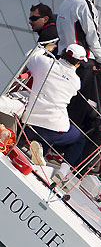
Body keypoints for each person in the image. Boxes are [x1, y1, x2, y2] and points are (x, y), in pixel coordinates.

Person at [56, 0, 101, 129]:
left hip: (62, 57)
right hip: (80, 62)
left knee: (64, 100)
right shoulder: (85, 4)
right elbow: (93, 37)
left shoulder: (68, 0)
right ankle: (68, 136)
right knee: (80, 105)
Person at [22, 43, 87, 179]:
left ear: (63, 53)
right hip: (53, 131)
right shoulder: (76, 81)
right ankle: (61, 173)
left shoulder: (44, 63)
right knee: (79, 138)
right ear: (78, 63)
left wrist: (45, 49)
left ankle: (39, 150)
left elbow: (29, 54)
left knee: (47, 128)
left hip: (29, 125)